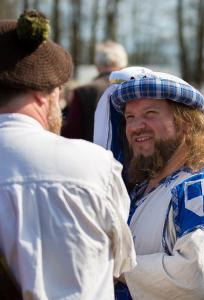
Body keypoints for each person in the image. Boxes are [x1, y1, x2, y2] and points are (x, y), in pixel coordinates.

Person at [0, 10, 136, 299]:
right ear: (43, 94)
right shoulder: (97, 167)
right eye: (58, 91)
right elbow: (120, 264)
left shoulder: (86, 94)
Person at [94, 68, 204, 299]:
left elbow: (198, 278)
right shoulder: (140, 192)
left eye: (150, 113)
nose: (136, 126)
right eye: (130, 117)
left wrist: (114, 266)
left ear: (185, 122)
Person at [61, 40, 128, 142]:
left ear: (97, 65)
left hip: (90, 155)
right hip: (124, 157)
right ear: (123, 65)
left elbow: (72, 134)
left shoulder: (83, 92)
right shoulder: (130, 90)